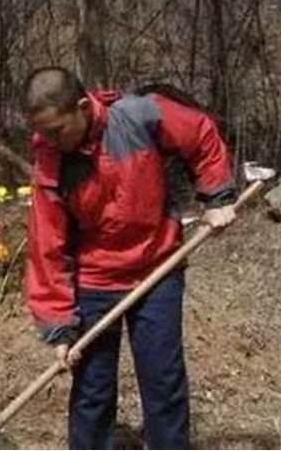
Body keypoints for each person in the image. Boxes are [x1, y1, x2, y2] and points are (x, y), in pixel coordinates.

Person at [21, 67, 237, 449]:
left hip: (158, 267)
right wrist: (59, 327)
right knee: (92, 389)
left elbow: (200, 132)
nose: (50, 140)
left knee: (163, 380)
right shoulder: (51, 161)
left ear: (82, 107)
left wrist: (216, 196)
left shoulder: (140, 115)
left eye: (56, 130)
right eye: (43, 132)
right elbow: (47, 246)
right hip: (95, 279)